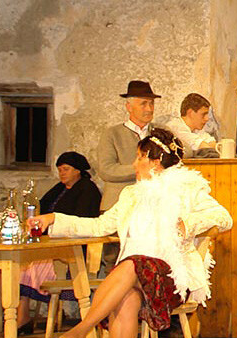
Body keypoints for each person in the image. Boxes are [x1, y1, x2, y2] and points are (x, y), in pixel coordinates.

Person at [38, 129, 233, 338]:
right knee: (127, 298)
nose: (133, 164)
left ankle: (81, 330)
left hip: (170, 277)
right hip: (131, 277)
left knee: (132, 264)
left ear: (155, 161)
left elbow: (223, 218)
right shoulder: (131, 195)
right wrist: (53, 220)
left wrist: (188, 223)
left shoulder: (188, 188)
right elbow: (98, 226)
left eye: (138, 157)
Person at [17, 151, 104, 324]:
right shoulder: (60, 188)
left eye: (66, 169)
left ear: (77, 171)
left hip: (74, 244)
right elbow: (41, 206)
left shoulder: (88, 189)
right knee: (23, 262)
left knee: (34, 264)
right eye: (60, 170)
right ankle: (23, 311)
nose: (62, 173)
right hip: (50, 241)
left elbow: (82, 219)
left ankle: (24, 316)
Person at [97, 79, 161, 207]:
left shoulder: (160, 132)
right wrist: (143, 168)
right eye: (143, 104)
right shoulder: (111, 134)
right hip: (118, 206)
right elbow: (106, 170)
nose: (149, 109)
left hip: (152, 206)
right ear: (129, 107)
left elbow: (182, 151)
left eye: (151, 103)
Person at [162, 93, 222, 158]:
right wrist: (207, 146)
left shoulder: (197, 130)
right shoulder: (175, 127)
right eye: (203, 114)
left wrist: (209, 146)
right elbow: (205, 148)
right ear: (190, 113)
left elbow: (215, 146)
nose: (207, 119)